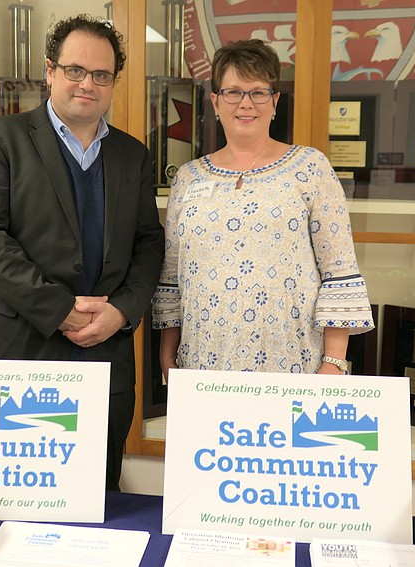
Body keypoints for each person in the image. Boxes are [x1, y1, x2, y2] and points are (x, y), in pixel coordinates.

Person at [0, 14, 164, 491]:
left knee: (97, 498)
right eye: (75, 70)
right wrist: (60, 311)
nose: (87, 84)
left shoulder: (132, 155)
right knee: (9, 501)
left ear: (113, 81)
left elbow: (149, 243)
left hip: (105, 355)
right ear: (50, 70)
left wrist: (123, 312)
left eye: (101, 75)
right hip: (18, 354)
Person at [152, 39, 373, 377]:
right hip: (203, 362)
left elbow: (338, 270)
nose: (246, 104)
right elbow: (173, 275)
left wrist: (334, 361)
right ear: (215, 101)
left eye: (258, 92)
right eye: (233, 92)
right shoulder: (188, 178)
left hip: (292, 364)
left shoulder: (310, 168)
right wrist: (168, 352)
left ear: (274, 101)